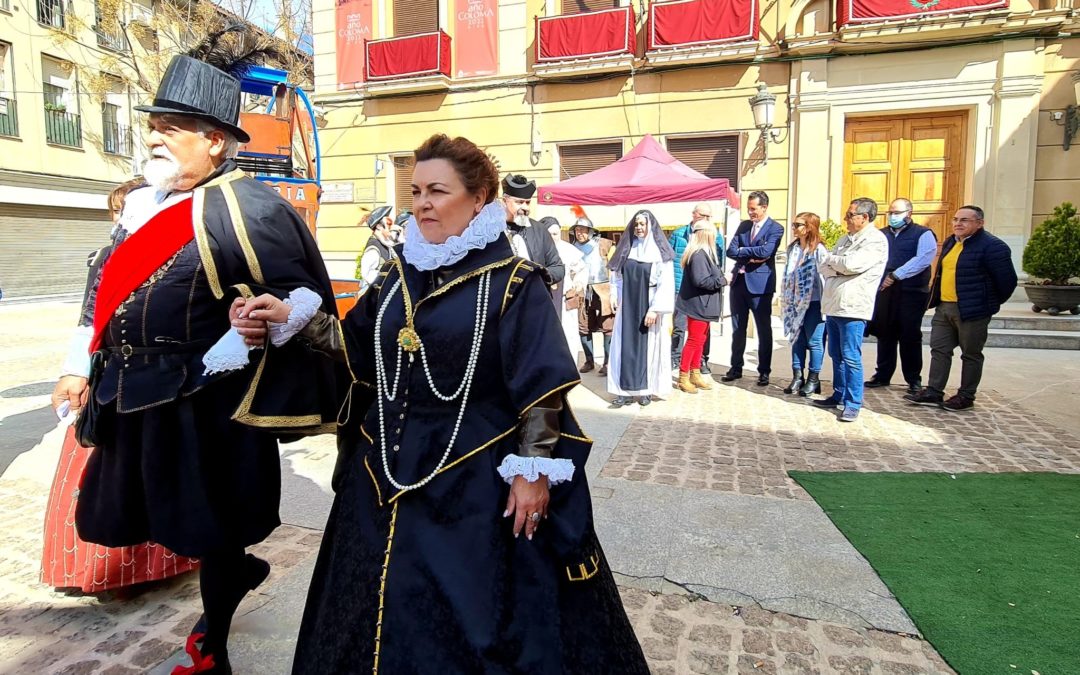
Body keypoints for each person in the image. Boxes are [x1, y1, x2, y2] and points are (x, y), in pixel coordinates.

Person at [235, 133, 648, 674]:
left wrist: (534, 472)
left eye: (437, 190)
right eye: (415, 191)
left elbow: (543, 386)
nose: (422, 202)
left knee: (472, 621)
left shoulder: (514, 283)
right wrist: (289, 321)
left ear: (479, 199)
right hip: (382, 470)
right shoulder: (395, 275)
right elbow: (356, 348)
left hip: (474, 476)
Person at [48, 38, 341, 674]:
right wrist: (78, 363)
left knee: (209, 525)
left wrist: (267, 323)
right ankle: (236, 572)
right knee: (145, 515)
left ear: (214, 139)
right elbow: (101, 292)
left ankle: (215, 649)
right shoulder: (143, 207)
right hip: (130, 390)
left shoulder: (252, 204)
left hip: (205, 397)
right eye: (154, 127)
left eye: (172, 129)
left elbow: (306, 295)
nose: (156, 138)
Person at [42, 178, 199, 595]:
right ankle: (99, 568)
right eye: (117, 210)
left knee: (154, 468)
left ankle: (149, 565)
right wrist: (76, 368)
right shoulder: (110, 253)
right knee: (106, 472)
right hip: (109, 378)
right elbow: (90, 315)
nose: (120, 217)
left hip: (160, 380)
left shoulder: (180, 244)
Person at [906, 205, 1017, 411]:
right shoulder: (950, 242)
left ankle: (966, 396)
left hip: (973, 310)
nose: (958, 223)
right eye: (956, 219)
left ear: (979, 223)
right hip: (944, 307)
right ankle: (934, 391)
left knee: (971, 354)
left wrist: (987, 304)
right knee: (939, 349)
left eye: (964, 220)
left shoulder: (993, 246)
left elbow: (1007, 282)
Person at [814, 198, 889, 422]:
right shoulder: (845, 239)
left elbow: (852, 265)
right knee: (836, 354)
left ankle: (853, 402)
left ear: (864, 217)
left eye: (850, 215)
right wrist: (837, 264)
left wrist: (836, 263)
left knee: (851, 356)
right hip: (835, 304)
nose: (846, 219)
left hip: (853, 307)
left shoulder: (875, 240)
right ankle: (839, 393)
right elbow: (824, 266)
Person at [866, 198, 936, 395]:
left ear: (909, 214)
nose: (892, 216)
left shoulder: (923, 234)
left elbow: (922, 260)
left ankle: (913, 379)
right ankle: (882, 374)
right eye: (890, 212)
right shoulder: (882, 234)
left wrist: (896, 275)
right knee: (884, 332)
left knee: (910, 335)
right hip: (885, 291)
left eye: (897, 212)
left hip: (912, 291)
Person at [607, 210, 677, 407]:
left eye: (642, 224)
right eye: (636, 224)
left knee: (650, 348)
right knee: (623, 347)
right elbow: (617, 275)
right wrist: (614, 293)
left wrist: (655, 309)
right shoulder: (626, 249)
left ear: (650, 226)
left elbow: (666, 283)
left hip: (649, 304)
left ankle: (646, 390)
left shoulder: (660, 253)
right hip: (627, 304)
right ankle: (624, 391)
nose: (639, 227)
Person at [724, 190, 784, 386]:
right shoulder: (744, 226)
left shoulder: (775, 228)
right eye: (748, 209)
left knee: (763, 329)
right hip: (739, 284)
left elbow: (767, 251)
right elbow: (731, 250)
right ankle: (735, 367)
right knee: (737, 329)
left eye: (753, 209)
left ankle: (764, 371)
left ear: (764, 207)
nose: (750, 213)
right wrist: (750, 255)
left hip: (760, 286)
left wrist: (743, 251)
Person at [670, 202, 726, 374]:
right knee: (680, 327)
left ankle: (700, 361)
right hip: (681, 287)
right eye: (704, 215)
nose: (708, 219)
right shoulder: (679, 234)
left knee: (701, 332)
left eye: (710, 216)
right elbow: (668, 259)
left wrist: (719, 279)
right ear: (694, 214)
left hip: (703, 294)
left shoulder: (714, 236)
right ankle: (676, 359)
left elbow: (718, 262)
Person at [780, 212, 828, 397]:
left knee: (814, 341)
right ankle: (797, 376)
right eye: (793, 224)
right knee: (797, 339)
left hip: (814, 302)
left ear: (809, 227)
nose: (794, 228)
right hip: (794, 302)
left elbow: (824, 276)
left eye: (797, 225)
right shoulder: (793, 249)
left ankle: (813, 379)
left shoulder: (818, 250)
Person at [572, 209, 616, 375]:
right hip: (582, 290)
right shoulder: (572, 248)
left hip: (603, 289)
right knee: (583, 326)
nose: (580, 233)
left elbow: (616, 265)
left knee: (608, 327)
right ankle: (589, 360)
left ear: (591, 231)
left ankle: (607, 362)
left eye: (583, 230)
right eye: (577, 230)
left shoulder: (604, 244)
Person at [501, 173, 565, 287]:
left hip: (536, 298)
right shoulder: (492, 231)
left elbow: (558, 267)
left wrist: (540, 276)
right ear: (505, 201)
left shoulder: (540, 230)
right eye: (519, 202)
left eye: (528, 202)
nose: (525, 208)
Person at [542, 216, 588, 360]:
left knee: (567, 336)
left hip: (564, 301)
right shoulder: (537, 250)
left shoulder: (568, 250)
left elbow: (582, 269)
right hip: (543, 301)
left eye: (555, 234)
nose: (553, 237)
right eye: (549, 234)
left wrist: (579, 283)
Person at [358, 204, 398, 293]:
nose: (391, 227)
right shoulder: (373, 249)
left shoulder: (386, 244)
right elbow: (367, 274)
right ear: (379, 226)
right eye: (388, 224)